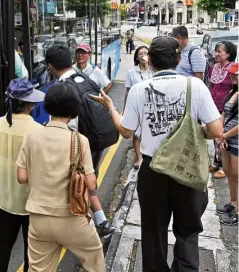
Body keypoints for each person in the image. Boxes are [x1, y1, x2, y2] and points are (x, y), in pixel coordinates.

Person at [91, 36, 223, 272]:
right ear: (179, 58)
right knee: (188, 231)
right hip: (188, 168)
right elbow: (215, 130)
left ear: (150, 60)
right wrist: (196, 130)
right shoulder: (196, 86)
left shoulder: (140, 90)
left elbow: (125, 131)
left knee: (153, 232)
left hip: (153, 171)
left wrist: (111, 107)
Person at [16, 82, 105, 272]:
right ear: (74, 109)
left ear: (47, 105)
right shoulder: (79, 140)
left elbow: (22, 177)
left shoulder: (31, 136)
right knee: (95, 258)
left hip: (38, 218)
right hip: (71, 217)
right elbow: (91, 183)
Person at [44, 45, 114, 237]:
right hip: (96, 139)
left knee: (78, 184)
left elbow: (69, 125)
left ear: (50, 66)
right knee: (87, 181)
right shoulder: (85, 79)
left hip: (80, 143)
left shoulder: (62, 89)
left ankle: (88, 226)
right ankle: (100, 221)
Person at [0, 78, 45, 272]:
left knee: (4, 243)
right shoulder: (37, 131)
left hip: (3, 198)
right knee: (30, 247)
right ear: (29, 105)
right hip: (29, 201)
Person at [207, 41, 237, 179]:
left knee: (225, 136)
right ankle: (217, 162)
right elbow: (210, 86)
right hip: (213, 106)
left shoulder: (234, 70)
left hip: (227, 109)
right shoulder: (213, 68)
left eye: (220, 51)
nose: (216, 54)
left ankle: (226, 167)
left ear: (229, 54)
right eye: (216, 51)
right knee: (216, 136)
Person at [124, 45, 153, 169]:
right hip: (137, 106)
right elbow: (128, 91)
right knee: (136, 134)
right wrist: (126, 108)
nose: (143, 56)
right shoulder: (131, 72)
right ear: (136, 57)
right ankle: (139, 158)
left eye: (145, 53)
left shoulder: (153, 70)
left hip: (152, 106)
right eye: (140, 54)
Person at [217, 62, 239, 225]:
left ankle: (238, 213)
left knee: (237, 176)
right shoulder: (233, 92)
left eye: (235, 74)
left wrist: (224, 134)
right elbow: (223, 114)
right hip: (226, 139)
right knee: (229, 173)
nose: (232, 76)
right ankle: (233, 203)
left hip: (236, 141)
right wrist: (221, 136)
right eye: (231, 73)